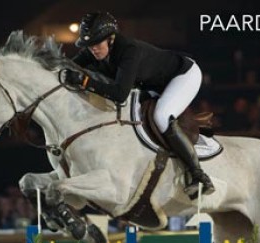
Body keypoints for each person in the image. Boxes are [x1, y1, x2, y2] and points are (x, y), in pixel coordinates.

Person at [63, 12, 214, 196]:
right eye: (89, 45)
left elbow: (119, 94)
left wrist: (85, 82)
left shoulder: (128, 50)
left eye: (96, 43)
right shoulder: (93, 51)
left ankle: (199, 176)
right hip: (151, 84)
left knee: (161, 116)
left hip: (182, 76)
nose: (93, 49)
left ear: (110, 39)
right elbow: (67, 67)